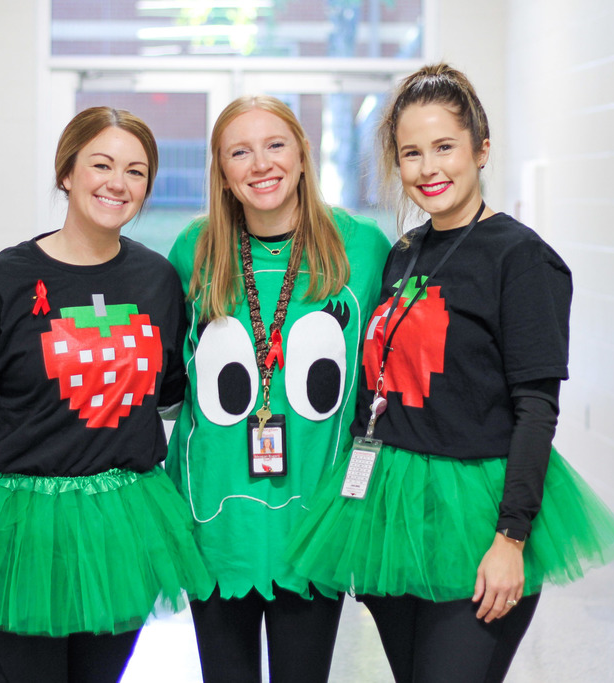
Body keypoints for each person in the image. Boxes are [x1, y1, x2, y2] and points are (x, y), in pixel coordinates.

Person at [284, 64, 614, 683]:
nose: (428, 169)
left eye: (444, 147)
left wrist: (510, 540)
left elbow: (536, 409)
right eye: (411, 153)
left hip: (480, 516)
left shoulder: (521, 258)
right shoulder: (404, 253)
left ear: (482, 149)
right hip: (394, 509)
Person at [0, 106, 212, 683]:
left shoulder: (158, 282)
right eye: (101, 164)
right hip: (17, 527)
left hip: (121, 524)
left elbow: (171, 403)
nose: (118, 183)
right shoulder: (2, 281)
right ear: (67, 173)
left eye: (136, 171)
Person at [166, 95, 391, 683]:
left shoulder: (362, 247)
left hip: (313, 515)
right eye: (239, 151)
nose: (259, 164)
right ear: (221, 169)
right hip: (215, 518)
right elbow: (167, 377)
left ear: (301, 154)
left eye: (275, 145)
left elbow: (387, 372)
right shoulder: (195, 249)